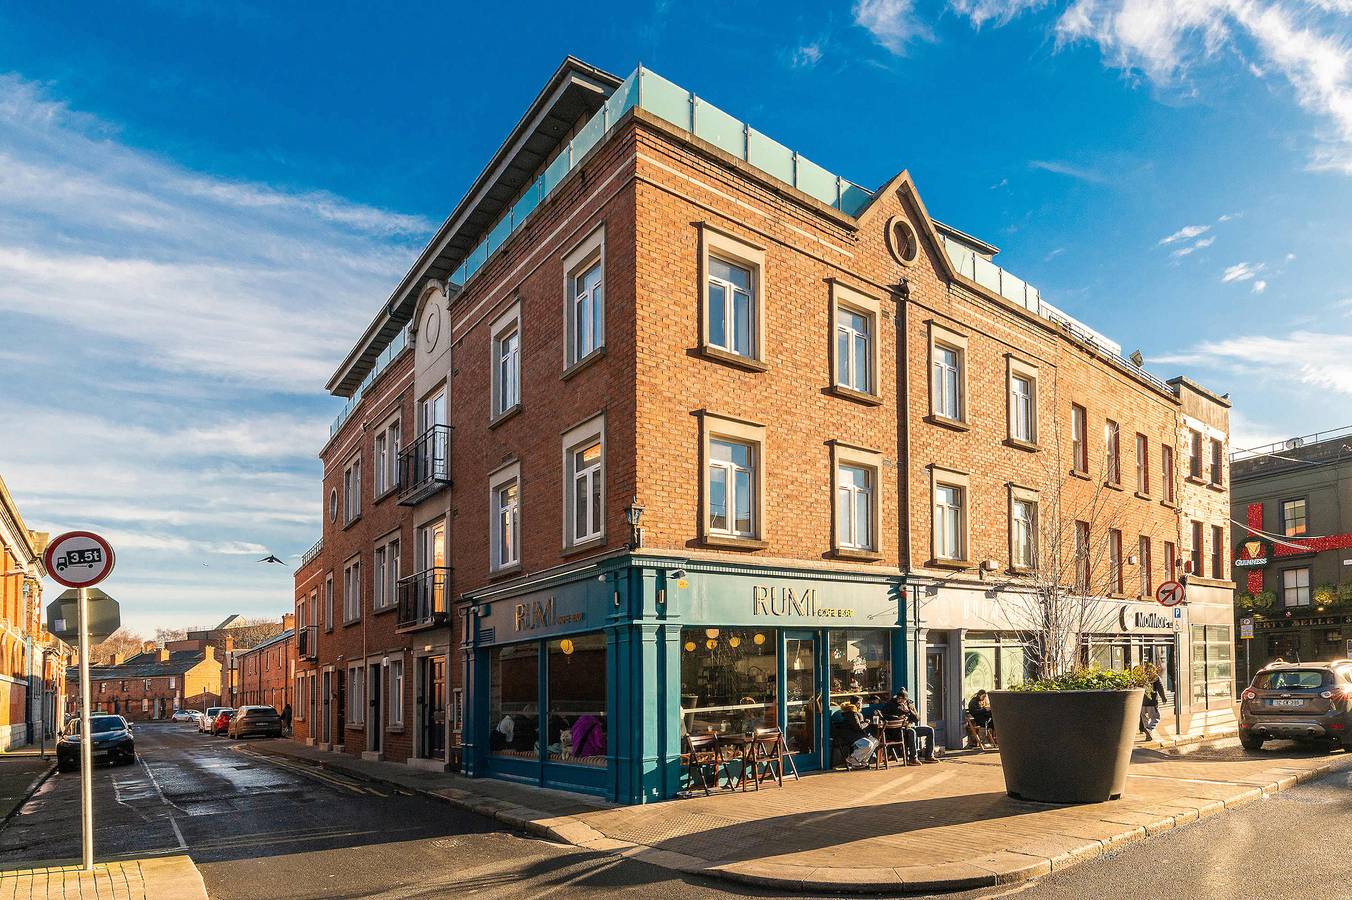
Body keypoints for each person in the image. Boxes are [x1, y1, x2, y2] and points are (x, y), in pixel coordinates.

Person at [888, 689, 939, 764]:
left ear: (906, 699)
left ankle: (929, 756)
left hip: (909, 727)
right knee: (912, 732)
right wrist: (897, 717)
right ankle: (913, 758)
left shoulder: (910, 705)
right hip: (898, 730)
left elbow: (917, 719)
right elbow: (884, 715)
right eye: (898, 698)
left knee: (929, 730)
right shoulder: (892, 704)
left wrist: (908, 711)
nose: (899, 700)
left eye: (902, 699)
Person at [835, 698, 877, 769]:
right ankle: (852, 758)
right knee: (869, 744)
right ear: (854, 704)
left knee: (875, 741)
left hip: (858, 735)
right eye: (858, 703)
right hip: (851, 736)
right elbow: (858, 727)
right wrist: (866, 723)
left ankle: (863, 761)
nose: (861, 705)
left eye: (861, 703)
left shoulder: (856, 712)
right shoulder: (851, 713)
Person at [1139, 664, 1167, 740]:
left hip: (1142, 703)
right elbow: (1160, 689)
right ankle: (1149, 729)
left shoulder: (1142, 678)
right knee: (1156, 718)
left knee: (1144, 718)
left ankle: (1148, 735)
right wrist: (1164, 698)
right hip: (1152, 702)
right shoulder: (1156, 678)